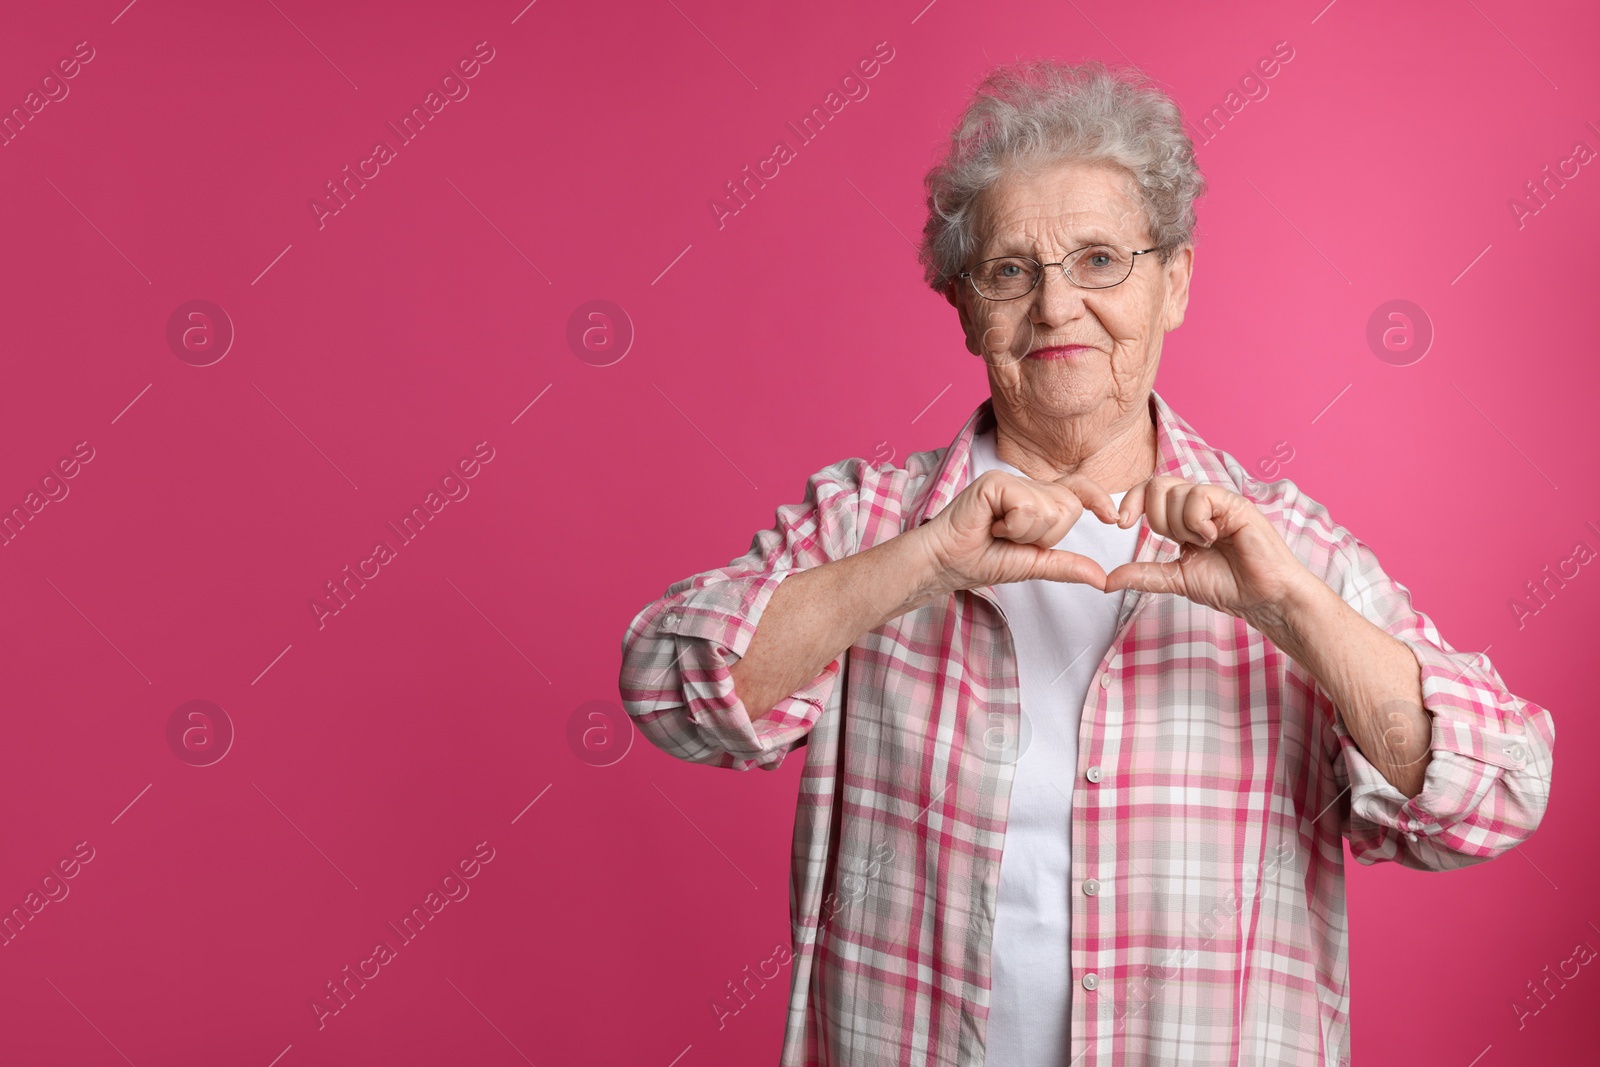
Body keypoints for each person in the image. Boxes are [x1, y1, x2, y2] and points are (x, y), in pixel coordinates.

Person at [618, 58, 1554, 1067]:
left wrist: (1288, 607)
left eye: (1100, 259)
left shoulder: (1281, 545)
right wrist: (922, 562)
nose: (1058, 306)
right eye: (1012, 270)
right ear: (966, 306)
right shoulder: (867, 522)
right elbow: (673, 687)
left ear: (1175, 283)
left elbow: (1492, 794)